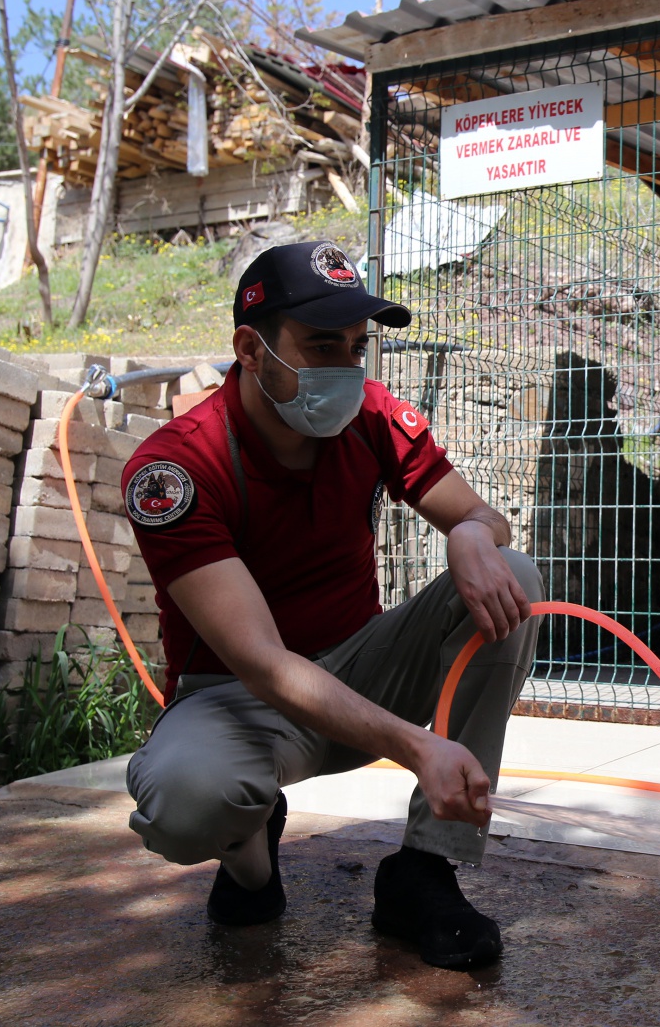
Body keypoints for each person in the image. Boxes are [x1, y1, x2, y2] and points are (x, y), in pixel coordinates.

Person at [121, 239, 540, 971]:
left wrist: (475, 533)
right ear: (251, 349)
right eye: (321, 346)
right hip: (237, 697)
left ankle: (424, 871)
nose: (347, 368)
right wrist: (419, 747)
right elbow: (260, 662)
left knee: (514, 574)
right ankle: (250, 861)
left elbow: (480, 516)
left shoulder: (371, 418)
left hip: (357, 671)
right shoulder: (178, 468)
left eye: (356, 346)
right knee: (188, 802)